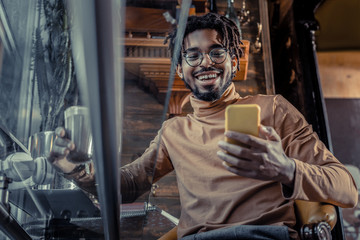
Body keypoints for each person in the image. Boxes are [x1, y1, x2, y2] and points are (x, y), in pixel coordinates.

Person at [49, 13, 358, 240]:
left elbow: (347, 188)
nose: (205, 63)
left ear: (234, 61)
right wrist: (78, 170)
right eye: (192, 55)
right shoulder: (174, 131)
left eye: (217, 52)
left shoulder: (272, 108)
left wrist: (287, 169)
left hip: (262, 236)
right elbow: (129, 184)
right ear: (181, 69)